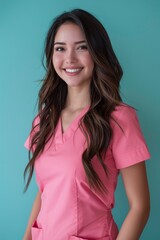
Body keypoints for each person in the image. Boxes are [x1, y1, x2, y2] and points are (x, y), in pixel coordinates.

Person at [23, 9, 150, 240]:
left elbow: (140, 207)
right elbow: (46, 192)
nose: (69, 59)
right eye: (60, 48)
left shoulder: (119, 119)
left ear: (97, 52)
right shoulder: (43, 121)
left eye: (81, 47)